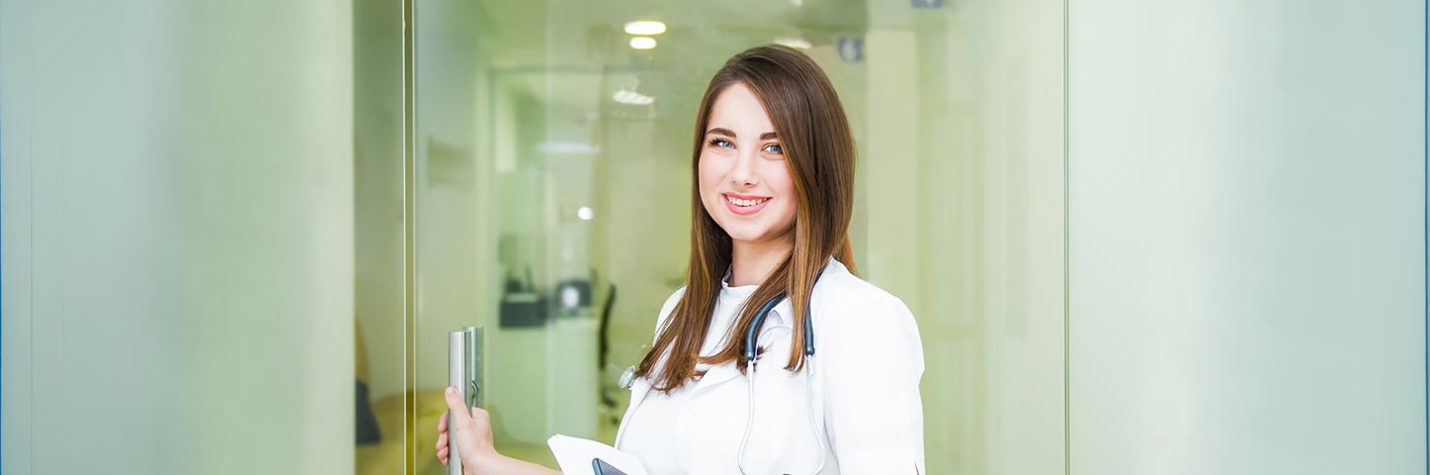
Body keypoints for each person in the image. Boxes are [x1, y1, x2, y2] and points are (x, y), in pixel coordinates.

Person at [436, 44, 925, 474]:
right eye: (723, 142)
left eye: (774, 147)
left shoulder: (861, 321)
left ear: (817, 166)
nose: (742, 173)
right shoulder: (682, 313)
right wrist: (488, 462)